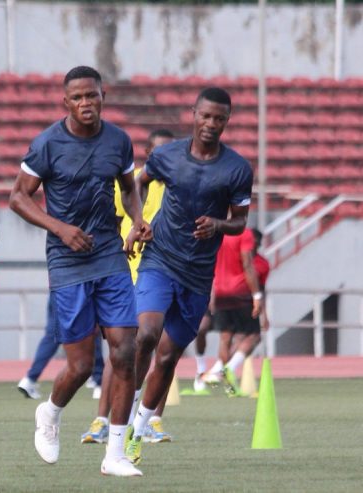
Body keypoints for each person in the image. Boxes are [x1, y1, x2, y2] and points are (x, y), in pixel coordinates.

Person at [9, 66, 150, 477]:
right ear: (65, 102)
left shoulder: (119, 141)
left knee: (125, 351)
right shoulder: (47, 144)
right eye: (78, 97)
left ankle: (116, 455)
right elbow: (18, 197)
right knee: (81, 366)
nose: (86, 103)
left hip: (109, 252)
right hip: (67, 260)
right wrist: (60, 228)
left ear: (103, 96)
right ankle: (50, 414)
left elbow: (128, 187)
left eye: (93, 95)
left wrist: (137, 218)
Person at [124, 87, 254, 466]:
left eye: (219, 118)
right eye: (205, 116)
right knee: (145, 333)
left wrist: (218, 224)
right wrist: (138, 221)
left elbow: (241, 221)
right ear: (193, 114)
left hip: (198, 275)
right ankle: (125, 411)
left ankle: (140, 428)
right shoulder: (166, 156)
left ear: (226, 121)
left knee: (167, 358)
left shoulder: (237, 169)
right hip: (160, 258)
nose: (211, 124)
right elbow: (139, 181)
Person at [81, 128, 175, 445]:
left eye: (169, 150)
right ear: (148, 154)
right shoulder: (132, 182)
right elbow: (115, 219)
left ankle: (151, 420)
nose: (163, 157)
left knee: (164, 350)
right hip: (131, 271)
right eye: (158, 151)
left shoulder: (180, 184)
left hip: (166, 272)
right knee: (122, 349)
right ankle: (101, 419)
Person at [204, 227, 269, 394]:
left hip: (221, 293)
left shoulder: (219, 234)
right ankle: (228, 370)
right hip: (241, 293)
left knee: (226, 338)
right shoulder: (244, 236)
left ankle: (224, 379)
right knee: (254, 336)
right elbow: (248, 265)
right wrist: (256, 297)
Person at [17, 295, 104, 400]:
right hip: (80, 289)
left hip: (59, 290)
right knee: (91, 331)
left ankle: (30, 379)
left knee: (52, 336)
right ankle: (99, 383)